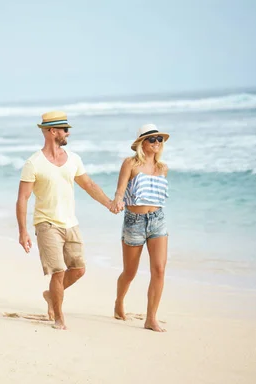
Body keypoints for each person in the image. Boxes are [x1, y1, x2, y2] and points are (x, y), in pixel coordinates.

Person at [16, 111, 117, 330]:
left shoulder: (73, 159)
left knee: (78, 270)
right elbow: (23, 198)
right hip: (46, 224)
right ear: (52, 131)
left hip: (71, 223)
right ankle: (59, 318)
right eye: (64, 129)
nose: (67, 133)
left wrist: (109, 203)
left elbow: (88, 185)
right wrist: (23, 231)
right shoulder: (33, 163)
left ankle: (50, 295)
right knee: (58, 272)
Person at [109, 123, 170, 332]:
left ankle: (151, 318)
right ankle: (119, 301)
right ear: (142, 143)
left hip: (158, 220)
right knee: (130, 272)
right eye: (152, 139)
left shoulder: (163, 168)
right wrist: (117, 201)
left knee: (159, 270)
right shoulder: (130, 163)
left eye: (159, 139)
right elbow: (120, 190)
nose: (156, 143)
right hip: (134, 221)